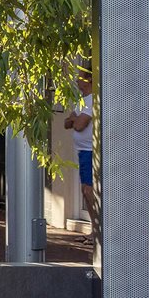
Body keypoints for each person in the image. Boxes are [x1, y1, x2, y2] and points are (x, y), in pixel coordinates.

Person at [64, 73, 97, 231]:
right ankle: (94, 227)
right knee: (85, 190)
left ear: (89, 79)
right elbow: (66, 123)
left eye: (80, 77)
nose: (77, 80)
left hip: (90, 151)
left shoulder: (91, 100)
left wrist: (74, 119)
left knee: (88, 190)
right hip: (82, 150)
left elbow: (78, 125)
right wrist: (73, 119)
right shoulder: (81, 101)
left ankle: (97, 229)